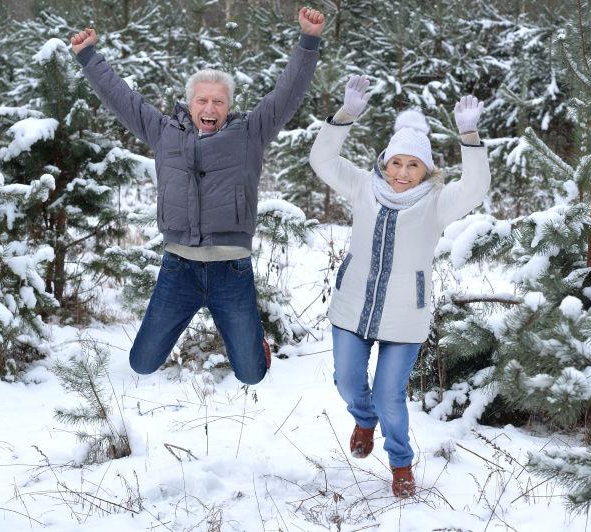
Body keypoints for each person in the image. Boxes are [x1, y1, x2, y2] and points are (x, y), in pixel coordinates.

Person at [70, 8, 325, 385]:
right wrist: (89, 57)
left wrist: (309, 41)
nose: (210, 108)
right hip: (179, 268)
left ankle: (259, 349)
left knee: (252, 374)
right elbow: (121, 99)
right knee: (141, 363)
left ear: (229, 106)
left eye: (218, 101)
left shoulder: (250, 133)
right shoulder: (163, 132)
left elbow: (287, 94)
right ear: (189, 104)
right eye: (202, 100)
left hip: (231, 270)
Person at [309, 75, 491, 497]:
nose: (403, 173)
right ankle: (362, 418)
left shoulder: (437, 201)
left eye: (413, 165)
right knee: (348, 383)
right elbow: (322, 161)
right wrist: (345, 116)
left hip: (405, 315)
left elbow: (477, 186)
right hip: (353, 306)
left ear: (427, 170)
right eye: (396, 163)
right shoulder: (362, 187)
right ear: (384, 163)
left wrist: (469, 135)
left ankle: (400, 464)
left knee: (391, 396)